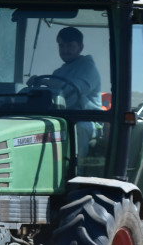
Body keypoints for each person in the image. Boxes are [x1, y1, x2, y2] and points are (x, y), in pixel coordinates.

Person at [27, 26, 102, 155]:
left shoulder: (87, 67)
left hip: (87, 120)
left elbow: (72, 89)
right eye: (61, 46)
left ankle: (78, 169)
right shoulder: (59, 72)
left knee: (78, 128)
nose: (65, 50)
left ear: (80, 47)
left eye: (70, 46)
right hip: (63, 117)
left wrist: (43, 81)